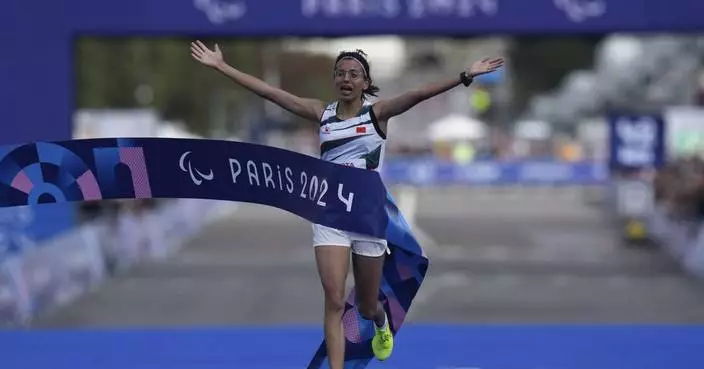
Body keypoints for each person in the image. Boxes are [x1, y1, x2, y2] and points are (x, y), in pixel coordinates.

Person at [190, 40, 504, 368]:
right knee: (335, 300)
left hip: (367, 217)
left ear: (365, 83)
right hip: (329, 215)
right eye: (340, 73)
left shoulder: (377, 115)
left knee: (366, 306)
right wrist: (222, 66)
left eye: (354, 74)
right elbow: (271, 93)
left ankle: (381, 323)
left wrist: (465, 75)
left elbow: (418, 94)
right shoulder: (320, 114)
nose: (346, 79)